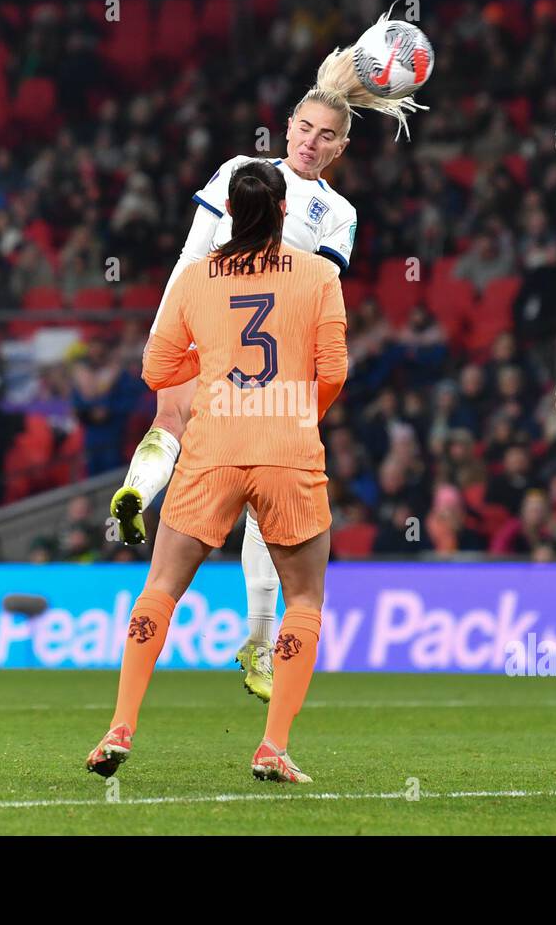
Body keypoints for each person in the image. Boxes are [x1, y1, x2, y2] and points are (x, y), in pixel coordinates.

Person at [110, 40, 421, 702]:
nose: (312, 141)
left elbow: (214, 265)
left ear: (340, 148)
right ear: (288, 129)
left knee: (179, 429)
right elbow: (228, 267)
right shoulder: (256, 179)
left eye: (326, 135)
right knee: (268, 501)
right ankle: (255, 645)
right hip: (239, 352)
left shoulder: (327, 207)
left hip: (224, 333)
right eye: (305, 128)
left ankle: (141, 487)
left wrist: (169, 330)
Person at [87, 160, 348, 782]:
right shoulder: (318, 274)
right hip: (288, 443)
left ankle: (121, 725)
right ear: (285, 212)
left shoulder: (196, 278)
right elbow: (333, 369)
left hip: (214, 444)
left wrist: (215, 381)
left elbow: (157, 367)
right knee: (305, 597)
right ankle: (272, 747)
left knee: (161, 588)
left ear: (227, 213)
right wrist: (296, 412)